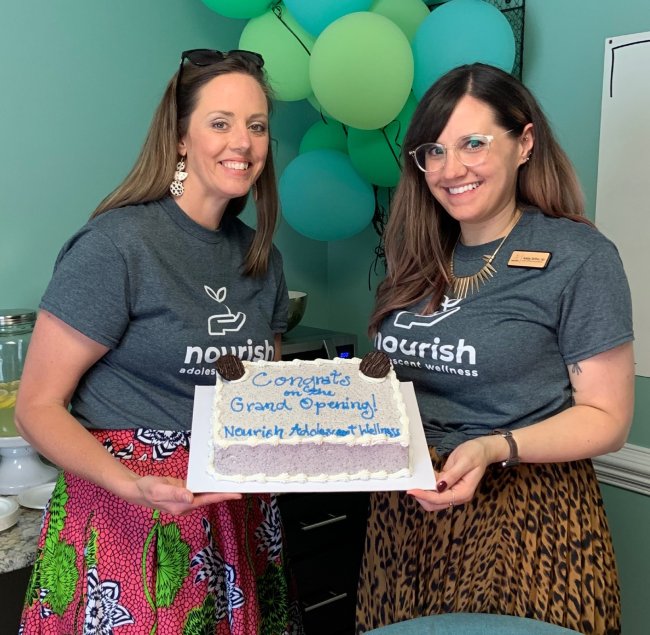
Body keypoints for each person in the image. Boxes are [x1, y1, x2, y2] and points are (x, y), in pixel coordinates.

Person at [16, 49, 302, 634]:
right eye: (219, 123)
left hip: (236, 520)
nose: (242, 143)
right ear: (179, 138)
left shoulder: (261, 259)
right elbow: (36, 408)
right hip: (131, 517)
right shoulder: (117, 245)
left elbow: (258, 401)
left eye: (256, 126)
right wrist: (132, 485)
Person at [356, 63, 634, 635]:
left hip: (528, 519)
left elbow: (608, 420)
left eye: (473, 144)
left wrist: (492, 447)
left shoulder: (579, 256)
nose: (450, 169)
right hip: (404, 521)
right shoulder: (415, 258)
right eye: (433, 150)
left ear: (524, 143)